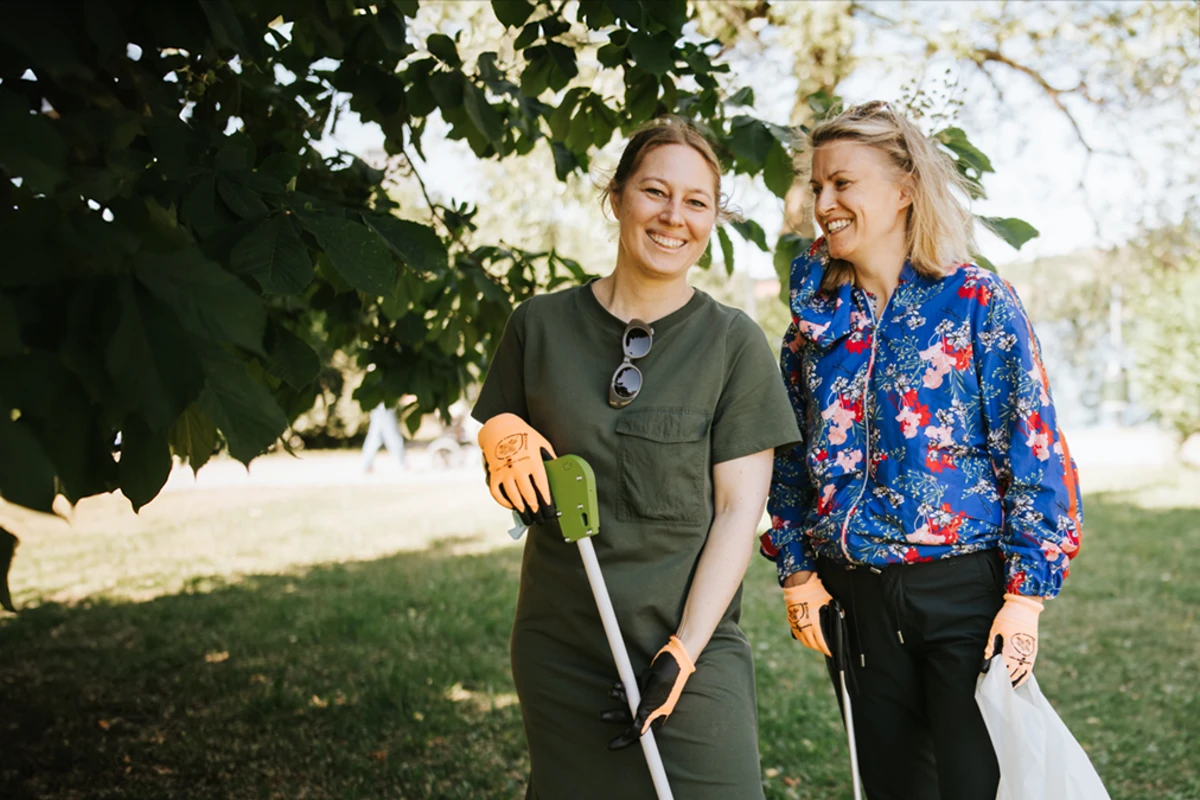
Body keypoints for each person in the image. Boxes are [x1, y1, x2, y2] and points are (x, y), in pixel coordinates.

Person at [761, 101, 1083, 800]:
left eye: (843, 183)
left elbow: (1034, 450)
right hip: (854, 599)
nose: (824, 203)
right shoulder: (812, 326)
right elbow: (785, 461)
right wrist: (796, 573)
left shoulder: (975, 300)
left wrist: (1025, 600)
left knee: (977, 783)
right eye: (818, 187)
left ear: (904, 188)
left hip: (964, 593)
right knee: (893, 788)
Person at [472, 116, 801, 799]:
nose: (673, 216)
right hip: (561, 647)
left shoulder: (735, 344)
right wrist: (498, 435)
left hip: (688, 650)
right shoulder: (537, 326)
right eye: (654, 191)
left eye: (696, 201)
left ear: (714, 218)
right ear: (617, 196)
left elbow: (741, 512)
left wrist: (682, 653)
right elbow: (502, 419)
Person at [360, 402, 406, 472]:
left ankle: (366, 463)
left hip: (378, 407)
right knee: (392, 437)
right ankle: (401, 462)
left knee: (375, 437)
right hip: (383, 407)